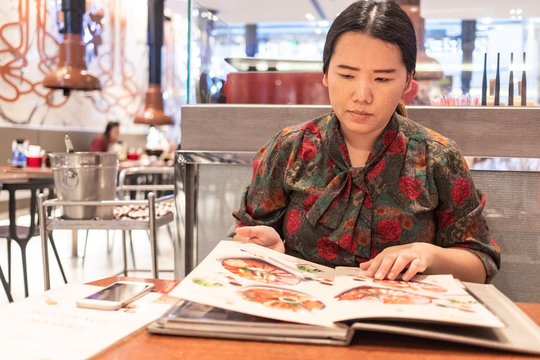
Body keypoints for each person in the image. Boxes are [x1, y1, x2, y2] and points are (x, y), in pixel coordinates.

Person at [231, 0, 500, 284]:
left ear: (408, 82)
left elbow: (480, 264)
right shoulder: (289, 149)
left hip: (398, 319)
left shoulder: (437, 157)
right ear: (325, 74)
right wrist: (268, 250)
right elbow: (242, 245)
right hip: (301, 314)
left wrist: (428, 255)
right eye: (346, 75)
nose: (362, 95)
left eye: (382, 79)